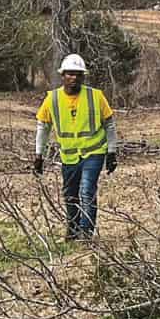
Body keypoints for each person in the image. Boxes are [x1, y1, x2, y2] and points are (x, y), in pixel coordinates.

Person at [33, 53, 118, 240]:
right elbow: (43, 128)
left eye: (78, 74)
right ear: (62, 75)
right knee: (70, 194)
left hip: (94, 152)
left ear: (83, 76)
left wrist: (111, 152)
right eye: (70, 74)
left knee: (87, 191)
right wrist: (39, 155)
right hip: (69, 156)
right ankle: (72, 231)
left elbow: (109, 125)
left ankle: (86, 233)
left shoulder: (95, 96)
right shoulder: (52, 99)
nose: (74, 78)